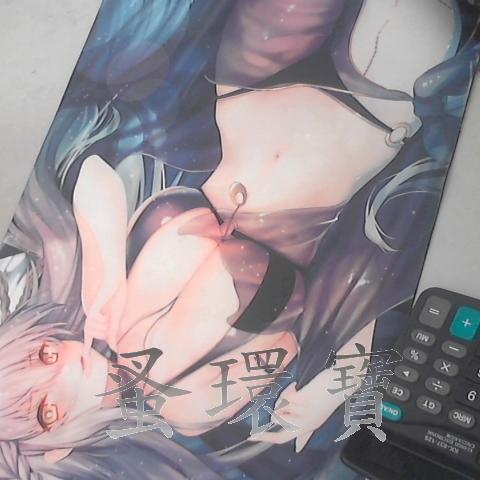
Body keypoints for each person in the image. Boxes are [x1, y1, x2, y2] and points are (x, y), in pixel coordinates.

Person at [0, 0, 477, 478]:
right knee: (417, 16)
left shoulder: (91, 297)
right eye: (46, 410)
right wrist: (324, 392)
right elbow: (314, 334)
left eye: (45, 354)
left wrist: (105, 283)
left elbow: (92, 171)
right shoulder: (188, 407)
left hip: (249, 77)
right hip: (366, 114)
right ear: (57, 451)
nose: (67, 366)